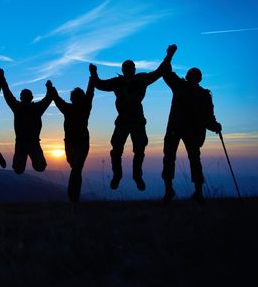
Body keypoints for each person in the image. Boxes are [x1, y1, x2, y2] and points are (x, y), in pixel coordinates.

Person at [90, 49, 169, 191]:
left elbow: (159, 72)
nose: (128, 71)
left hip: (135, 121)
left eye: (129, 68)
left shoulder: (136, 79)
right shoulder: (122, 81)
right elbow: (99, 84)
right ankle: (122, 176)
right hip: (126, 121)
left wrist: (169, 55)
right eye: (127, 69)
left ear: (132, 69)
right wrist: (93, 73)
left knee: (133, 150)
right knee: (120, 150)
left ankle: (133, 176)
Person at [161, 45, 222, 203]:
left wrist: (169, 55)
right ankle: (196, 192)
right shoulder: (203, 94)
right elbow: (209, 117)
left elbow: (166, 72)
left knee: (172, 158)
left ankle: (171, 191)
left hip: (178, 129)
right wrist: (215, 126)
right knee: (191, 159)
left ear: (189, 76)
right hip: (190, 131)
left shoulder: (182, 86)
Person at [48, 70, 94, 205]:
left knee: (76, 168)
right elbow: (57, 100)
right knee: (74, 167)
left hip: (82, 143)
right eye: (75, 99)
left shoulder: (85, 107)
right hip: (69, 144)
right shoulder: (67, 108)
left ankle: (73, 198)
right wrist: (50, 88)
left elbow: (90, 93)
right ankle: (74, 199)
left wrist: (92, 77)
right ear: (72, 99)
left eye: (79, 98)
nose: (77, 101)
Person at [0, 70, 53, 174]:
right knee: (38, 167)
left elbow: (7, 94)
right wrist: (49, 87)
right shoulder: (36, 108)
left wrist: (2, 79)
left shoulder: (19, 107)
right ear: (32, 97)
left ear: (21, 97)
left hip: (25, 142)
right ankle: (32, 162)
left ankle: (28, 162)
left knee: (20, 169)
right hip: (29, 142)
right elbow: (48, 98)